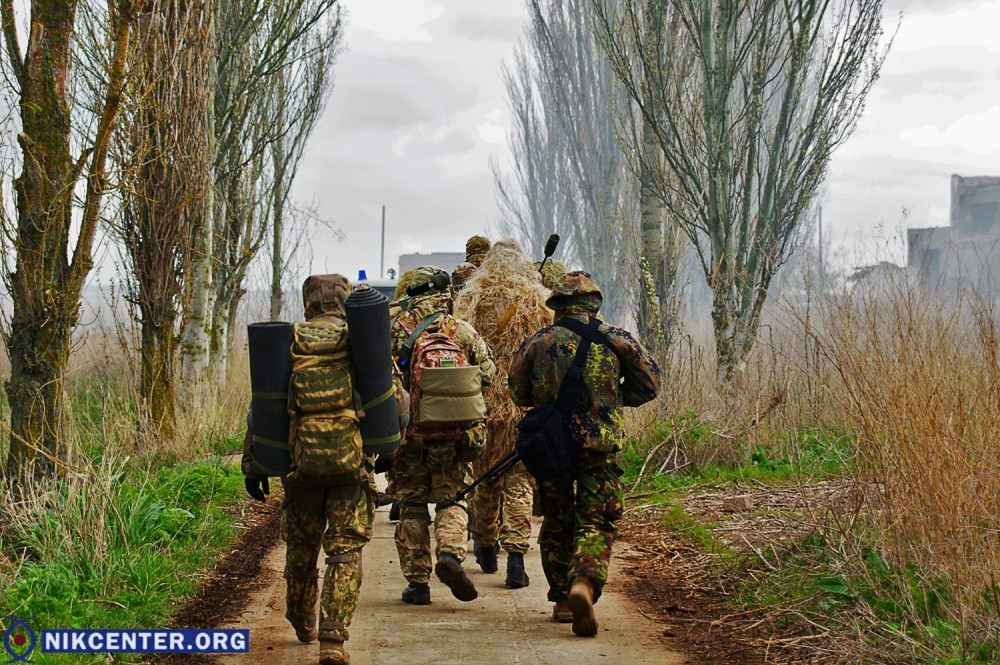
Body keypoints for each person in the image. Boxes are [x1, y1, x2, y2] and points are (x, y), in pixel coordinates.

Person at [243, 274, 400, 665]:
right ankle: (333, 640)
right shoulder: (360, 343)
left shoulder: (289, 342)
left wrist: (254, 465)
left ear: (308, 303)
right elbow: (392, 402)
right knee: (344, 553)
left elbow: (263, 408)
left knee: (301, 551)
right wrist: (389, 453)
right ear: (345, 303)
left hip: (300, 470)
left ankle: (301, 619)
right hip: (351, 471)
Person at [508, 270, 660, 637]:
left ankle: (562, 599)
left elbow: (517, 392)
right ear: (593, 303)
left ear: (558, 305)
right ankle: (585, 584)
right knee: (597, 519)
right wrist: (614, 399)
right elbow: (650, 385)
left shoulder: (538, 341)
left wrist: (548, 403)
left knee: (557, 520)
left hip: (552, 448)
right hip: (599, 446)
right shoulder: (617, 339)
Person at [390, 265, 496, 604]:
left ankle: (418, 584)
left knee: (412, 506)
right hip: (456, 438)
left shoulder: (397, 331)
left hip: (412, 439)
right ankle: (450, 553)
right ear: (443, 296)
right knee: (452, 499)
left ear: (413, 295)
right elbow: (489, 374)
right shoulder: (461, 331)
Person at [453, 239, 552, 588]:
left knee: (485, 474)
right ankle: (516, 558)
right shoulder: (536, 300)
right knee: (520, 478)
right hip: (522, 403)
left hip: (482, 401)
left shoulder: (470, 298)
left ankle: (484, 542)